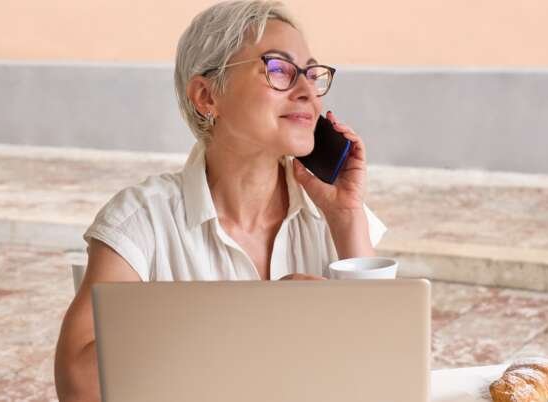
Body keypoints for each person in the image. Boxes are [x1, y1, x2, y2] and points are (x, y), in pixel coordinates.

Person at [54, 2, 386, 400]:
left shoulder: (329, 213)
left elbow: (384, 371)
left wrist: (347, 218)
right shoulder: (142, 220)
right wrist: (254, 316)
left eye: (312, 75)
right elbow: (79, 387)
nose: (306, 93)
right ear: (207, 95)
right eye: (279, 70)